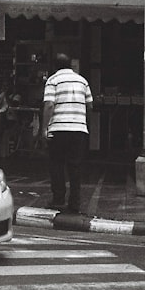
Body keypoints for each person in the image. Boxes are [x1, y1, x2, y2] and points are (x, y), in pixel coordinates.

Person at [41, 53, 93, 213]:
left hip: (59, 129)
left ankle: (58, 199)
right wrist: (84, 122)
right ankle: (75, 203)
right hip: (78, 130)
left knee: (56, 165)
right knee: (75, 167)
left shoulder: (53, 80)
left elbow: (49, 105)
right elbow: (90, 105)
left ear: (55, 66)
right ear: (70, 65)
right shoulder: (83, 80)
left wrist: (44, 127)